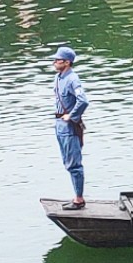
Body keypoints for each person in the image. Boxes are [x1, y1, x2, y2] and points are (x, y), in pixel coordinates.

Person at [49, 46, 89, 210]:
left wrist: (72, 116)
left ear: (67, 62)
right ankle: (76, 196)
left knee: (74, 164)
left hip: (69, 127)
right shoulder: (58, 78)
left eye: (58, 60)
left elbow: (83, 101)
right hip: (59, 125)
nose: (54, 62)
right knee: (67, 162)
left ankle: (79, 199)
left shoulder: (73, 79)